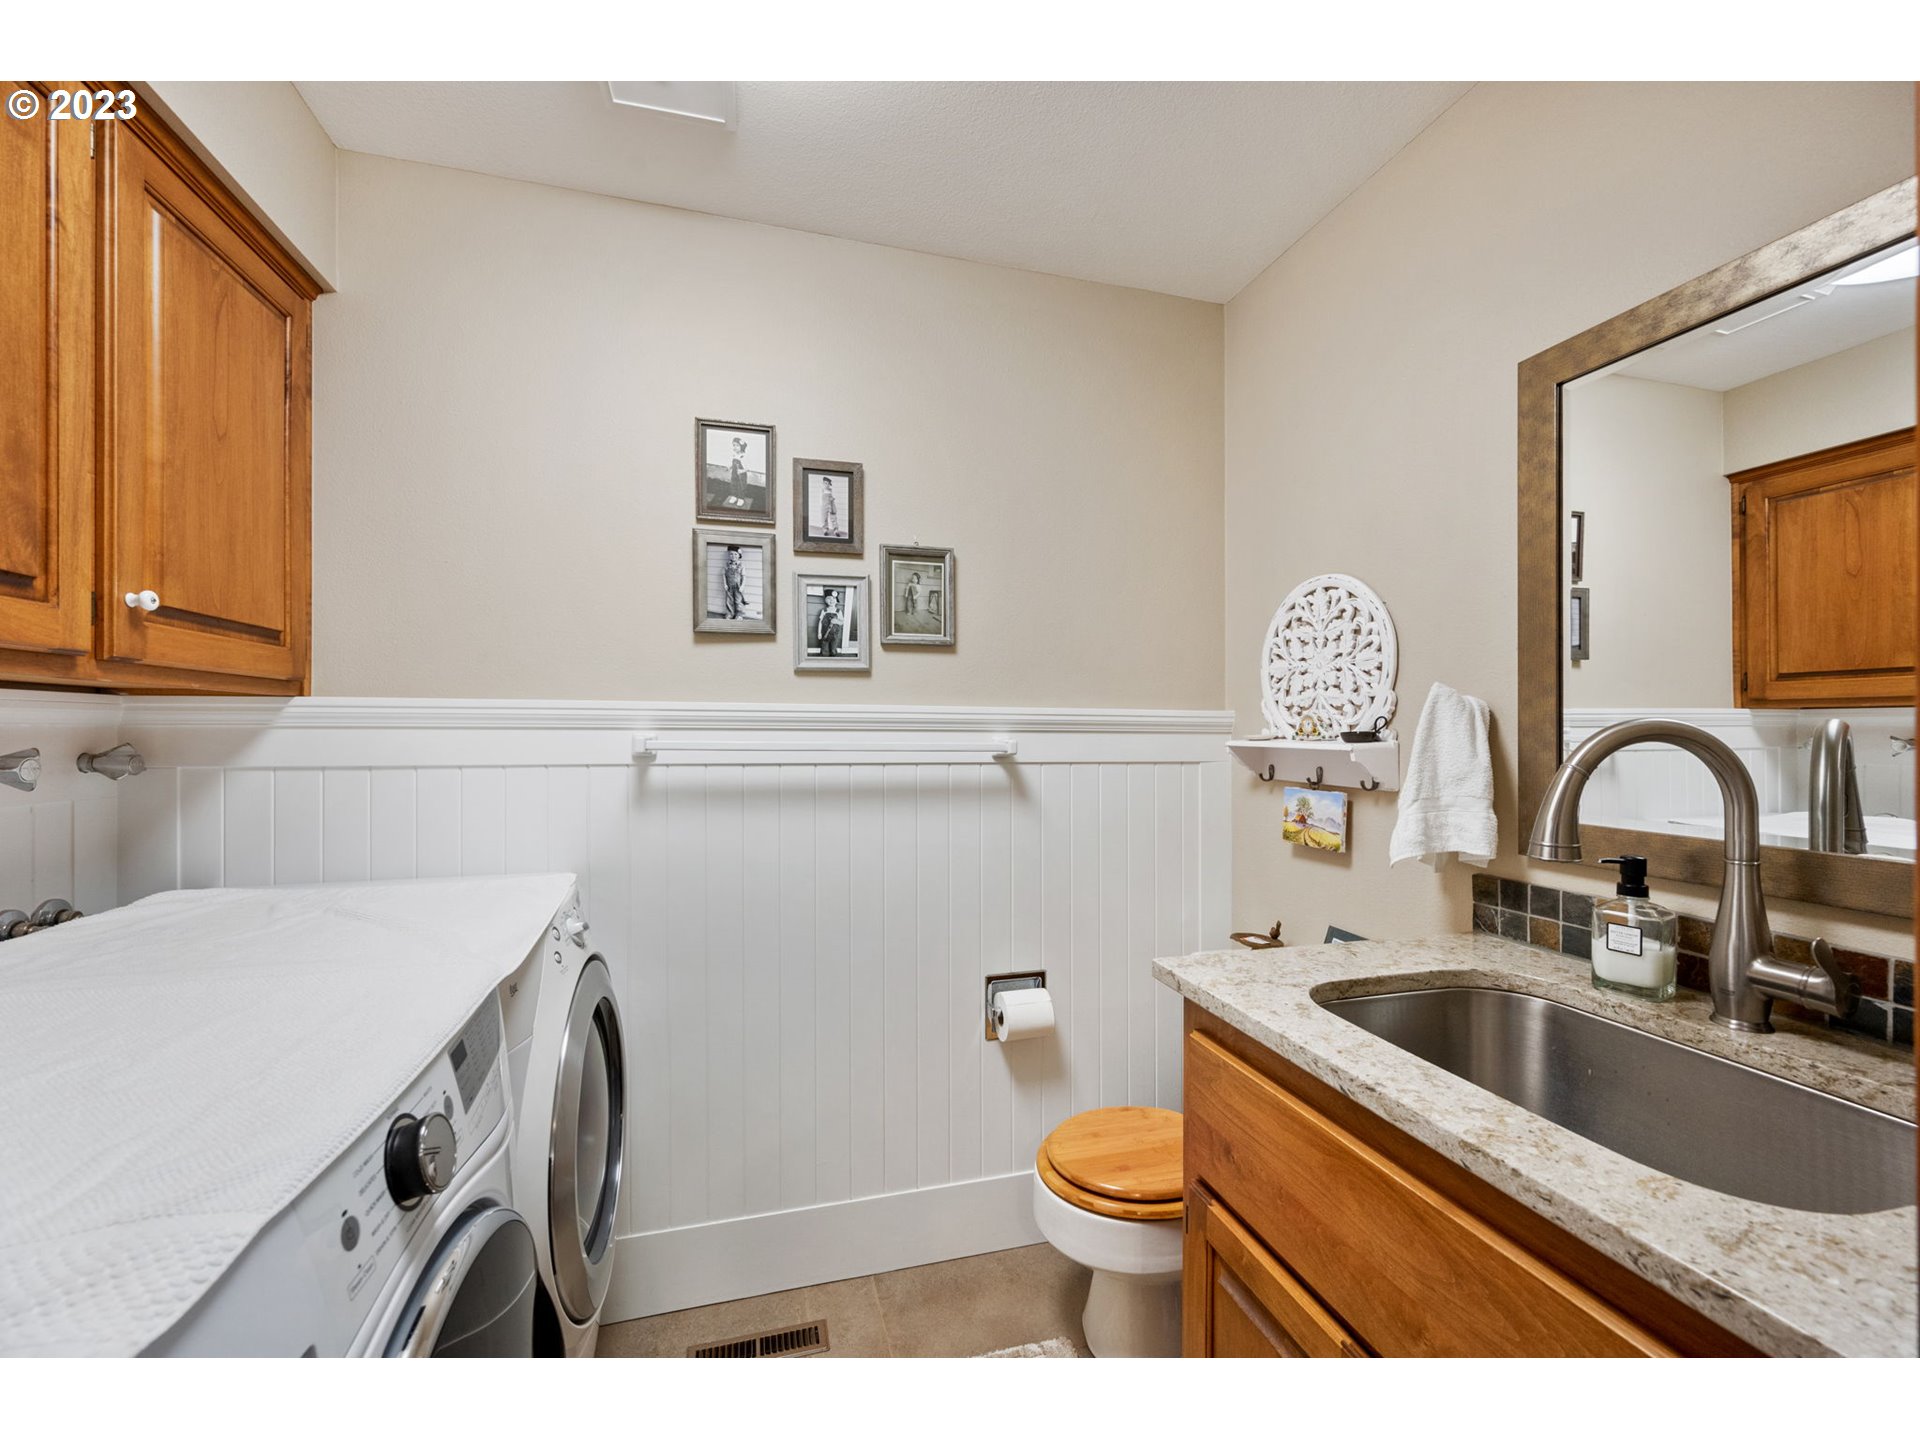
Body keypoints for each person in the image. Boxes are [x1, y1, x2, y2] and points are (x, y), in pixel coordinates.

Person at [815, 589, 843, 657]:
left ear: (836, 600)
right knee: (824, 649)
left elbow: (842, 622)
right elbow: (820, 622)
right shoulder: (824, 611)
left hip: (834, 635)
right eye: (829, 598)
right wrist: (819, 633)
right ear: (826, 600)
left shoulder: (838, 611)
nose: (831, 600)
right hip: (825, 634)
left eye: (833, 598)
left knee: (833, 649)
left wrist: (837, 621)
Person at [723, 546, 745, 618]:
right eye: (731, 554)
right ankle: (730, 613)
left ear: (739, 555)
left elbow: (744, 577)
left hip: (738, 586)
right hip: (729, 586)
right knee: (729, 600)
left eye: (735, 554)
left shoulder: (741, 565)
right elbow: (723, 574)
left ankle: (739, 614)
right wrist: (725, 584)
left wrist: (742, 586)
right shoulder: (727, 565)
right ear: (729, 555)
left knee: (738, 601)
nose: (733, 556)